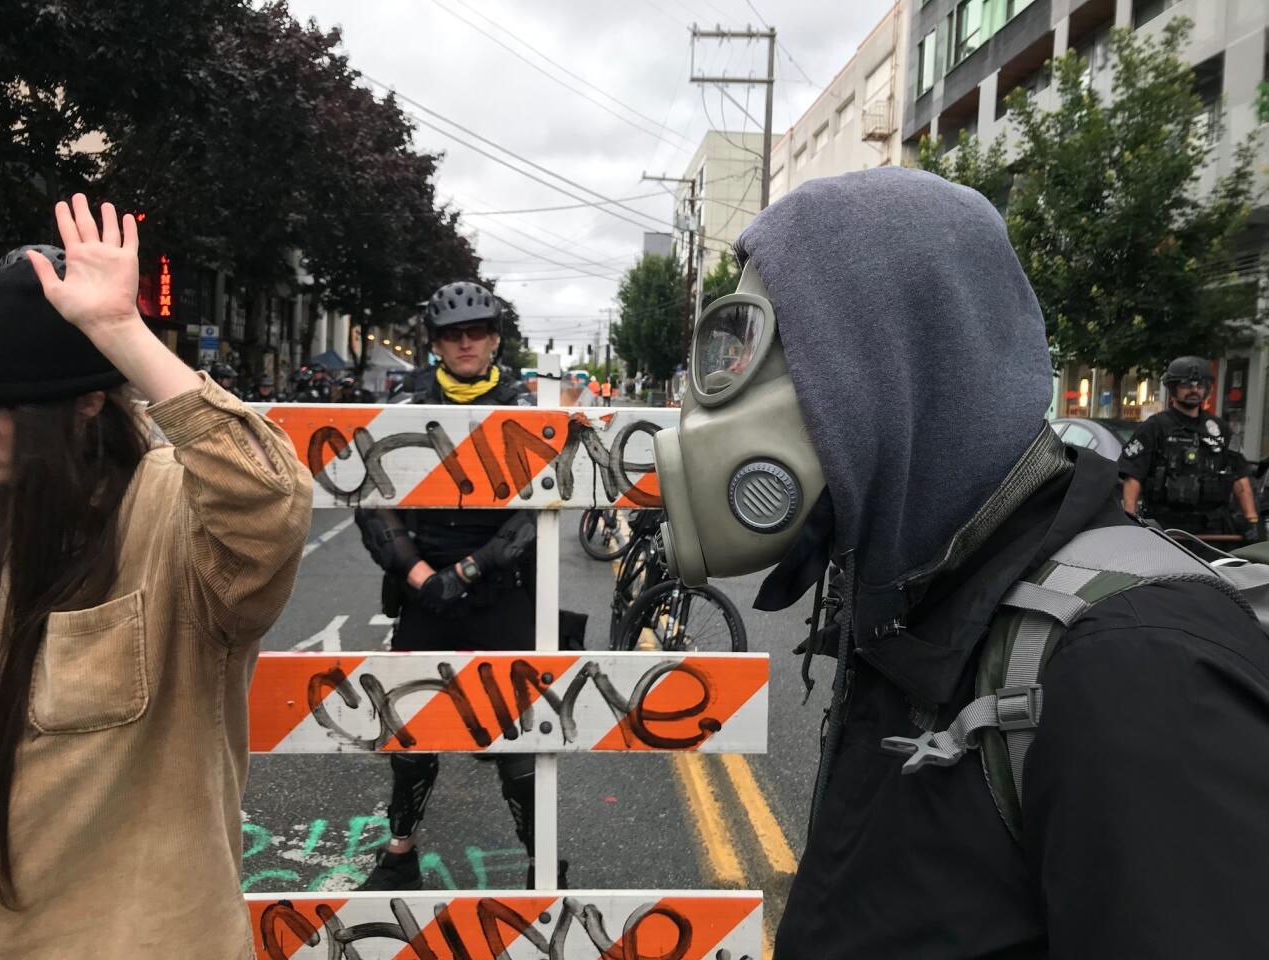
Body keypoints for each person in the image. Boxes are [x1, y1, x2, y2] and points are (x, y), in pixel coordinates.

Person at [651, 169, 1269, 957]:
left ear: (901, 367)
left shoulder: (1138, 669)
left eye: (780, 355)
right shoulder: (917, 592)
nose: (725, 410)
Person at [0, 198, 312, 958]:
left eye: (4, 406)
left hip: (137, 935)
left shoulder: (167, 509)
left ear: (86, 407)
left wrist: (120, 331)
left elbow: (269, 499)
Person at [354, 281, 541, 891]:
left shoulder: (523, 406)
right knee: (411, 737)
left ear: (493, 339)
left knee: (519, 743)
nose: (465, 343)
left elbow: (538, 511)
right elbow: (371, 501)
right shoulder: (405, 406)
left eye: (476, 332)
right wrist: (419, 576)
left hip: (498, 590)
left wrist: (472, 570)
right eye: (452, 335)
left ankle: (542, 861)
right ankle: (399, 854)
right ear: (435, 344)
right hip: (424, 588)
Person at [1119, 355, 1262, 541]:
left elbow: (1239, 478)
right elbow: (1133, 478)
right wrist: (1131, 522)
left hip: (1214, 531)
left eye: (1200, 385)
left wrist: (1251, 521)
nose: (1194, 390)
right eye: (1187, 385)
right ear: (1173, 388)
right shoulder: (1154, 427)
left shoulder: (1221, 430)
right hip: (1166, 529)